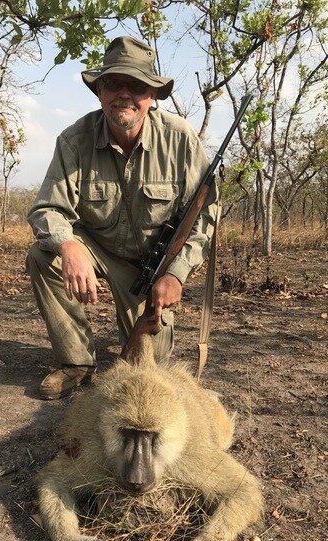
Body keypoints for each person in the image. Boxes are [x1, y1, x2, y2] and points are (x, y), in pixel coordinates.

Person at [26, 36, 218, 400]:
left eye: (137, 85)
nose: (124, 94)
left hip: (153, 267)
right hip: (96, 247)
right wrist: (69, 245)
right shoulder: (74, 140)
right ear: (99, 90)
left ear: (152, 95)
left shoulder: (181, 139)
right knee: (43, 255)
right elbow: (46, 209)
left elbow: (204, 215)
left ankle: (131, 341)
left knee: (148, 368)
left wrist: (175, 274)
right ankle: (77, 364)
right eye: (114, 83)